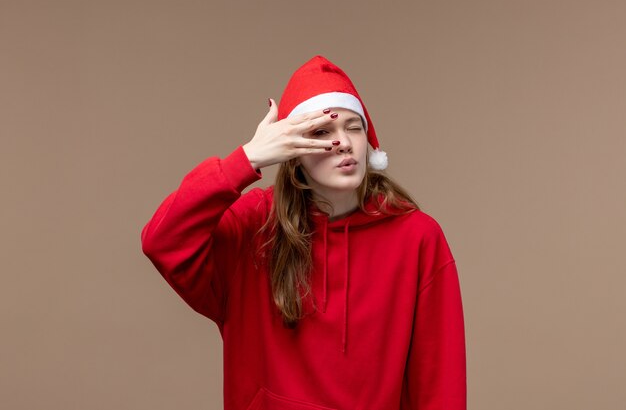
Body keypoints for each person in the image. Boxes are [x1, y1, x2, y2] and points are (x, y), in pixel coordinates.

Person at [141, 55, 466, 410]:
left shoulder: (417, 237)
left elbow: (440, 385)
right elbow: (162, 240)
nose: (343, 142)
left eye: (353, 127)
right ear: (292, 151)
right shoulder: (255, 226)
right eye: (321, 132)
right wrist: (247, 159)